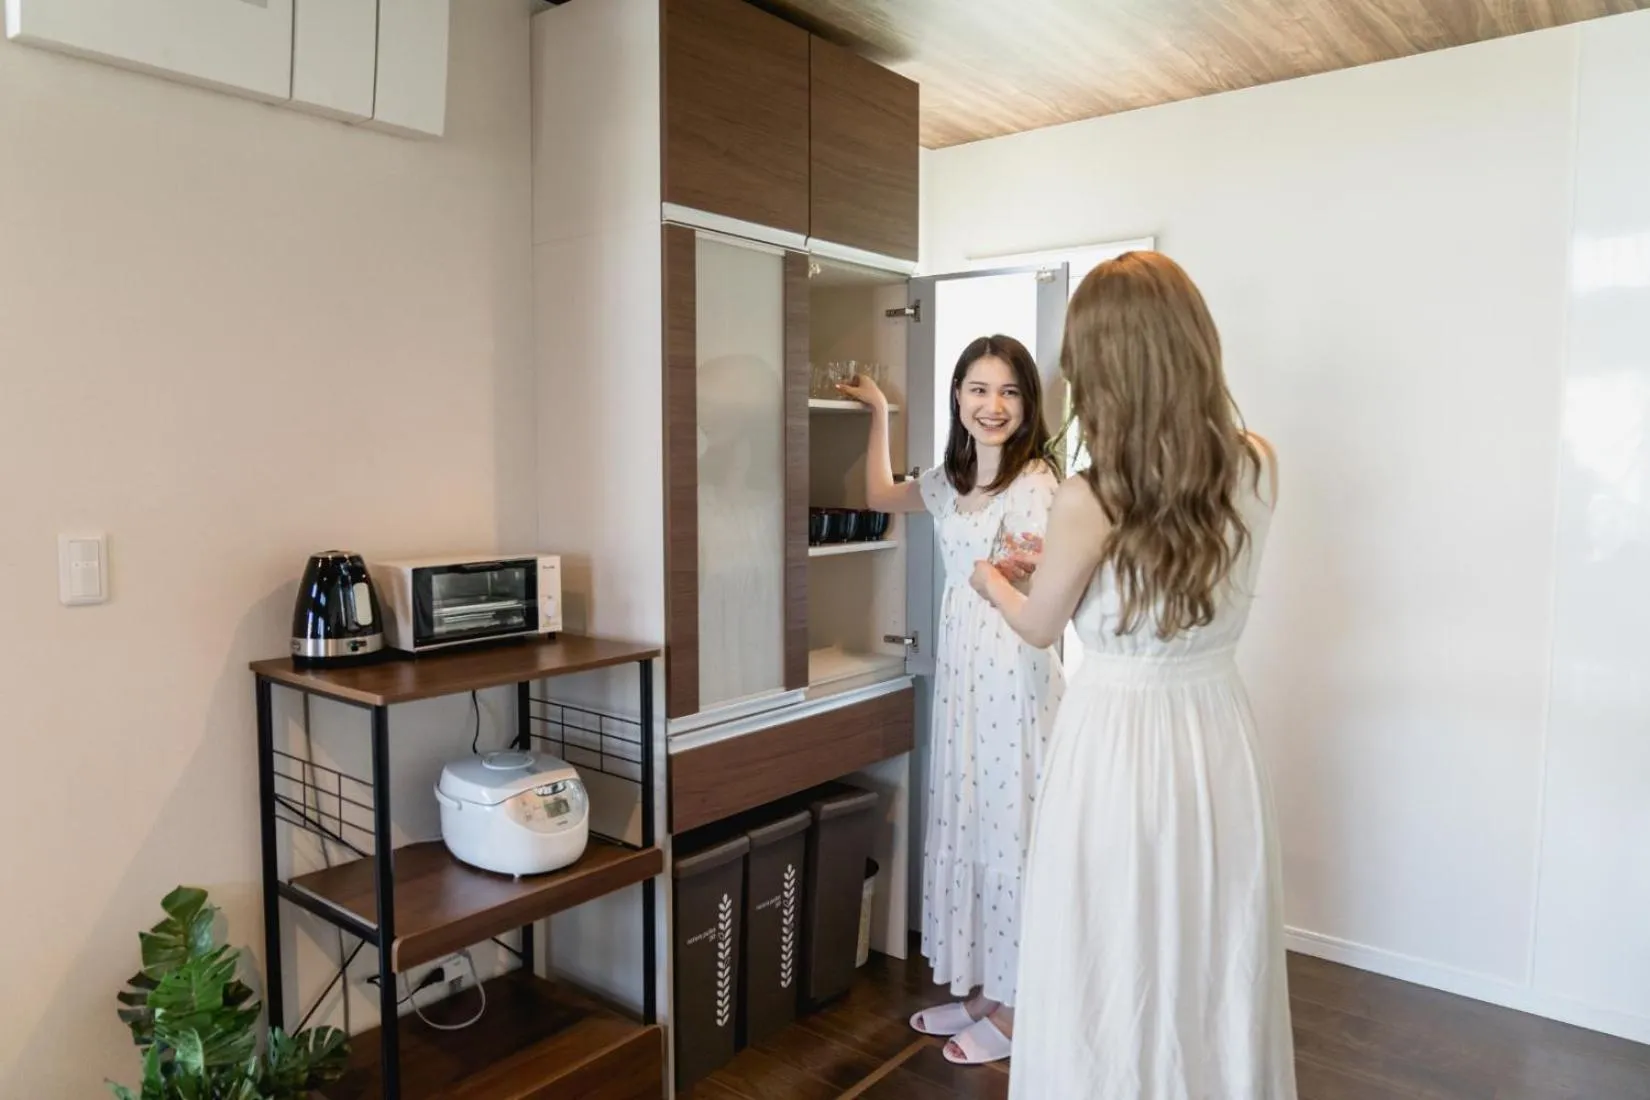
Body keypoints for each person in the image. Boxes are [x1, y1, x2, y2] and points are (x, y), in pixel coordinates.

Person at [971, 252, 1297, 1098]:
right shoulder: (1257, 462)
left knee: (1110, 947)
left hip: (1116, 741)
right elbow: (1179, 570)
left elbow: (1042, 626)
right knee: (1209, 939)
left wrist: (993, 578)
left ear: (1104, 363)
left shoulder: (1092, 495)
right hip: (1216, 730)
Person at [837, 335, 1065, 1067]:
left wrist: (1014, 572)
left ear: (1027, 404)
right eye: (977, 389)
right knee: (974, 822)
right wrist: (878, 410)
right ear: (958, 397)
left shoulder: (1036, 482)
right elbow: (877, 495)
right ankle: (990, 989)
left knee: (1012, 831)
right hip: (966, 679)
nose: (992, 406)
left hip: (1014, 673)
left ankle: (1022, 1005)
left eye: (1008, 392)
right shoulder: (947, 481)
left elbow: (1032, 582)